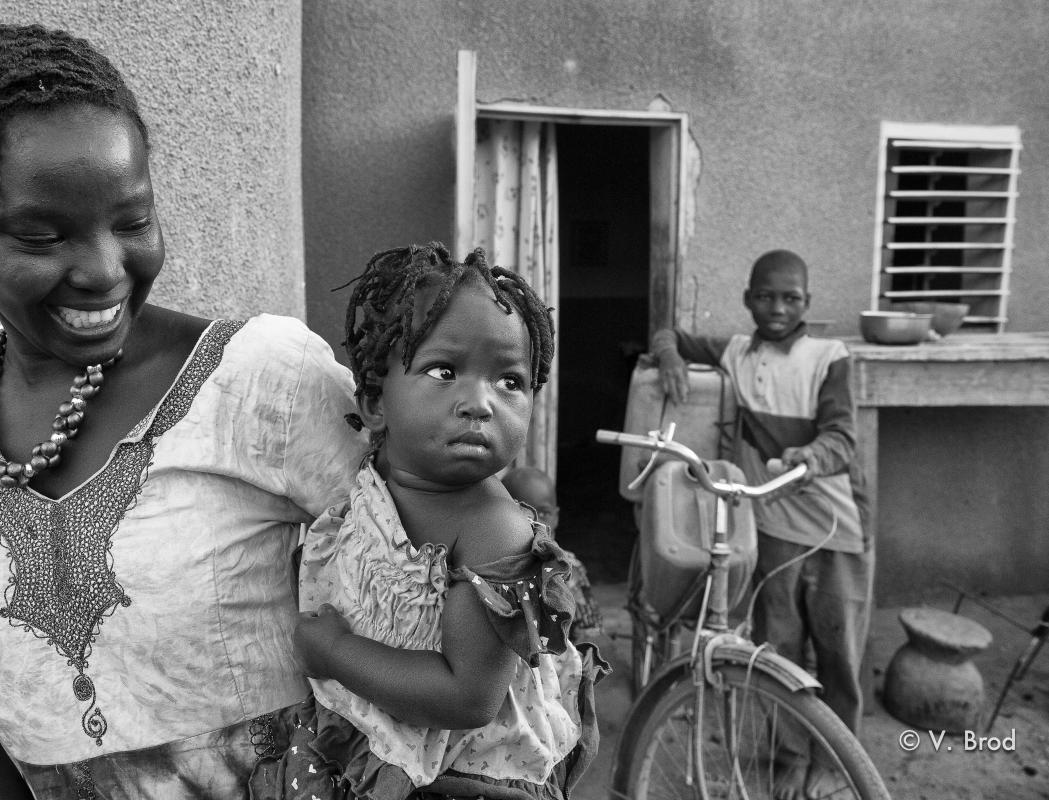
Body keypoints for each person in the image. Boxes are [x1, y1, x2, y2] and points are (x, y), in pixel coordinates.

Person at [0, 25, 368, 799]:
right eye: (43, 234)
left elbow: (433, 588)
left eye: (131, 221)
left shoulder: (264, 380)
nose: (104, 270)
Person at [266, 244, 607, 800]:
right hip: (385, 742)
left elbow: (468, 698)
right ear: (375, 404)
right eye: (444, 371)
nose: (480, 402)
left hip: (463, 781)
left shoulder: (492, 533)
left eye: (510, 382)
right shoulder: (375, 479)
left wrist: (334, 654)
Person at [650, 249, 872, 800]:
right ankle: (791, 756)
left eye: (791, 298)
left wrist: (809, 459)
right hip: (771, 522)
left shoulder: (830, 356)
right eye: (766, 296)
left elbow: (842, 437)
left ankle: (836, 762)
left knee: (839, 651)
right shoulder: (736, 351)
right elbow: (667, 333)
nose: (778, 308)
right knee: (780, 648)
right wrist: (670, 357)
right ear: (748, 299)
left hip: (834, 525)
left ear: (807, 303)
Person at [501, 467, 605, 643]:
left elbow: (589, 631)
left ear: (556, 517)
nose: (536, 524)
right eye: (523, 514)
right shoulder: (495, 568)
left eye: (543, 514)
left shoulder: (568, 567)